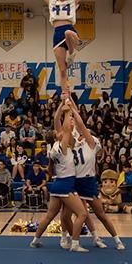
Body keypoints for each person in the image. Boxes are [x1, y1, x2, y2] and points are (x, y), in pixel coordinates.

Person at [30, 99, 93, 253]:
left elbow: (55, 121)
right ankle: (75, 244)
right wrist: (68, 111)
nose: (60, 131)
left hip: (58, 183)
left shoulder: (54, 148)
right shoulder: (63, 145)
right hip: (65, 185)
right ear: (57, 137)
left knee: (50, 215)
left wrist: (61, 107)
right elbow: (64, 127)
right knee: (83, 213)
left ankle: (35, 240)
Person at [66, 100, 125, 250]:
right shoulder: (74, 142)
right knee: (78, 214)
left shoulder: (93, 144)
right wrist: (69, 103)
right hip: (74, 181)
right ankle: (80, 240)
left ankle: (117, 240)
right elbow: (69, 127)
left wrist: (73, 108)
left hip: (88, 181)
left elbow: (81, 125)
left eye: (86, 133)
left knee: (100, 214)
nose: (84, 134)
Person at [27, 0, 98, 95]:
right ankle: (65, 93)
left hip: (70, 30)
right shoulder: (51, 2)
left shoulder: (73, 1)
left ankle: (73, 49)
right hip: (57, 34)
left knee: (67, 32)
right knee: (62, 69)